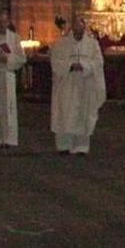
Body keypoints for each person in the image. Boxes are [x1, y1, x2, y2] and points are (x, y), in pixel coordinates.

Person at [49, 16, 107, 155]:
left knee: (83, 114)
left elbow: (98, 62)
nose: (78, 34)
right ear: (72, 29)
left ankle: (81, 147)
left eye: (81, 31)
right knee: (65, 113)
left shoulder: (92, 44)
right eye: (76, 31)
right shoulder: (61, 44)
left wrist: (84, 66)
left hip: (84, 85)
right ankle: (64, 145)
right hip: (66, 86)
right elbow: (55, 61)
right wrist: (70, 66)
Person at [0, 9, 26, 146]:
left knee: (8, 108)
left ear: (8, 22)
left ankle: (8, 139)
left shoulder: (14, 38)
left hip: (7, 76)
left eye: (4, 22)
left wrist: (7, 60)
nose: (2, 25)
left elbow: (21, 58)